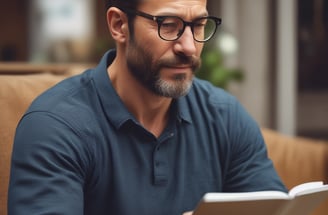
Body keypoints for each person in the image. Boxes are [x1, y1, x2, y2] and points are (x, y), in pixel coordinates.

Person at [8, 0, 287, 214]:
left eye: (199, 25)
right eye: (168, 24)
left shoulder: (225, 115)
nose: (189, 46)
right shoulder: (55, 125)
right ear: (119, 25)